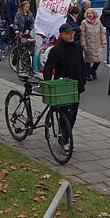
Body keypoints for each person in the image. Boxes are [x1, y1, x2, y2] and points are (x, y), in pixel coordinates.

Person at [42, 23, 87, 153]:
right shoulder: (56, 50)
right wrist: (48, 84)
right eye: (68, 33)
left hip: (76, 86)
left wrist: (83, 79)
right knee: (66, 114)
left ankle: (65, 135)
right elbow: (48, 69)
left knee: (73, 115)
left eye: (72, 33)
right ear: (61, 35)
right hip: (62, 87)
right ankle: (64, 139)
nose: (71, 35)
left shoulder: (77, 47)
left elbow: (82, 64)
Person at [81, 8, 105, 81]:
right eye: (88, 13)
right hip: (89, 44)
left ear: (94, 14)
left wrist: (103, 42)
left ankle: (93, 71)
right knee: (88, 60)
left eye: (91, 13)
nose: (90, 14)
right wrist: (84, 44)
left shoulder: (98, 21)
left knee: (99, 59)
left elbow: (102, 32)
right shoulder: (84, 22)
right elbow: (82, 34)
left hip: (98, 43)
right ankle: (87, 74)